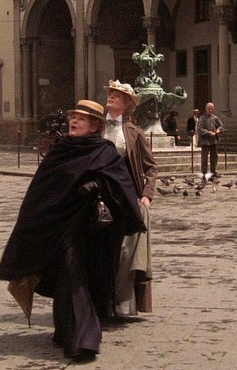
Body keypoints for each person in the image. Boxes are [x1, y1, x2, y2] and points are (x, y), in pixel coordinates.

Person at [0, 99, 144, 361]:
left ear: (95, 126)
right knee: (69, 277)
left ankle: (82, 338)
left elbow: (122, 186)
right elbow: (41, 191)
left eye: (81, 119)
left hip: (89, 229)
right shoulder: (60, 150)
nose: (74, 122)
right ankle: (73, 335)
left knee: (75, 277)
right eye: (73, 117)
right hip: (56, 228)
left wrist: (97, 185)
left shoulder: (104, 151)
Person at [103, 79, 157, 318]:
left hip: (126, 199)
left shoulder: (134, 133)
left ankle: (121, 302)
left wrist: (146, 195)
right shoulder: (96, 128)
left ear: (126, 105)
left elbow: (151, 167)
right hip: (98, 196)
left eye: (117, 95)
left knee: (124, 252)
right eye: (110, 93)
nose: (111, 96)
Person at [197, 102, 223, 177]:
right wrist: (209, 132)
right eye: (209, 109)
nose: (211, 110)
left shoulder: (215, 118)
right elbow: (200, 129)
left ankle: (213, 172)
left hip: (213, 140)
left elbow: (221, 126)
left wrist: (218, 130)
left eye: (212, 109)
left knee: (214, 157)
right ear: (206, 109)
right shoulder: (202, 118)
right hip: (205, 141)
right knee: (204, 158)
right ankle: (204, 173)